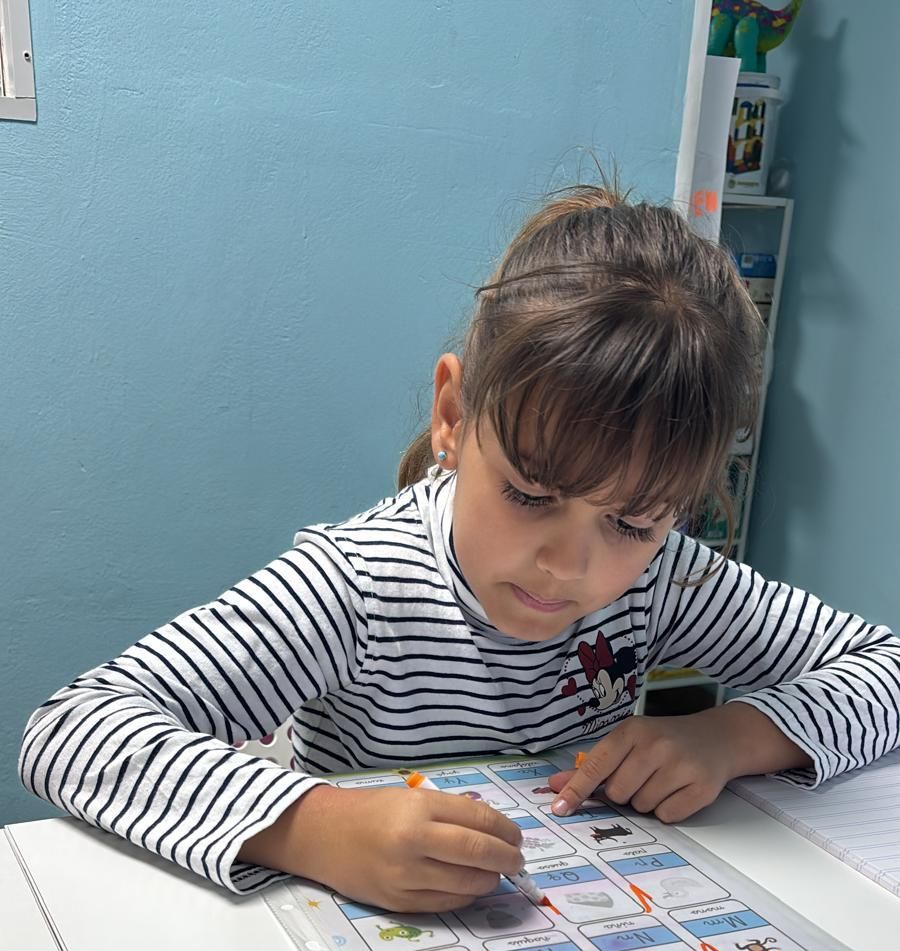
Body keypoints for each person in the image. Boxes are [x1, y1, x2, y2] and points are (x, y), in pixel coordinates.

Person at [19, 185, 900, 912]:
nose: (569, 565)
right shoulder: (358, 586)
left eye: (632, 523)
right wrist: (315, 828)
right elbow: (73, 729)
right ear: (453, 415)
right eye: (530, 494)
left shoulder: (664, 579)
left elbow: (884, 666)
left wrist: (733, 735)